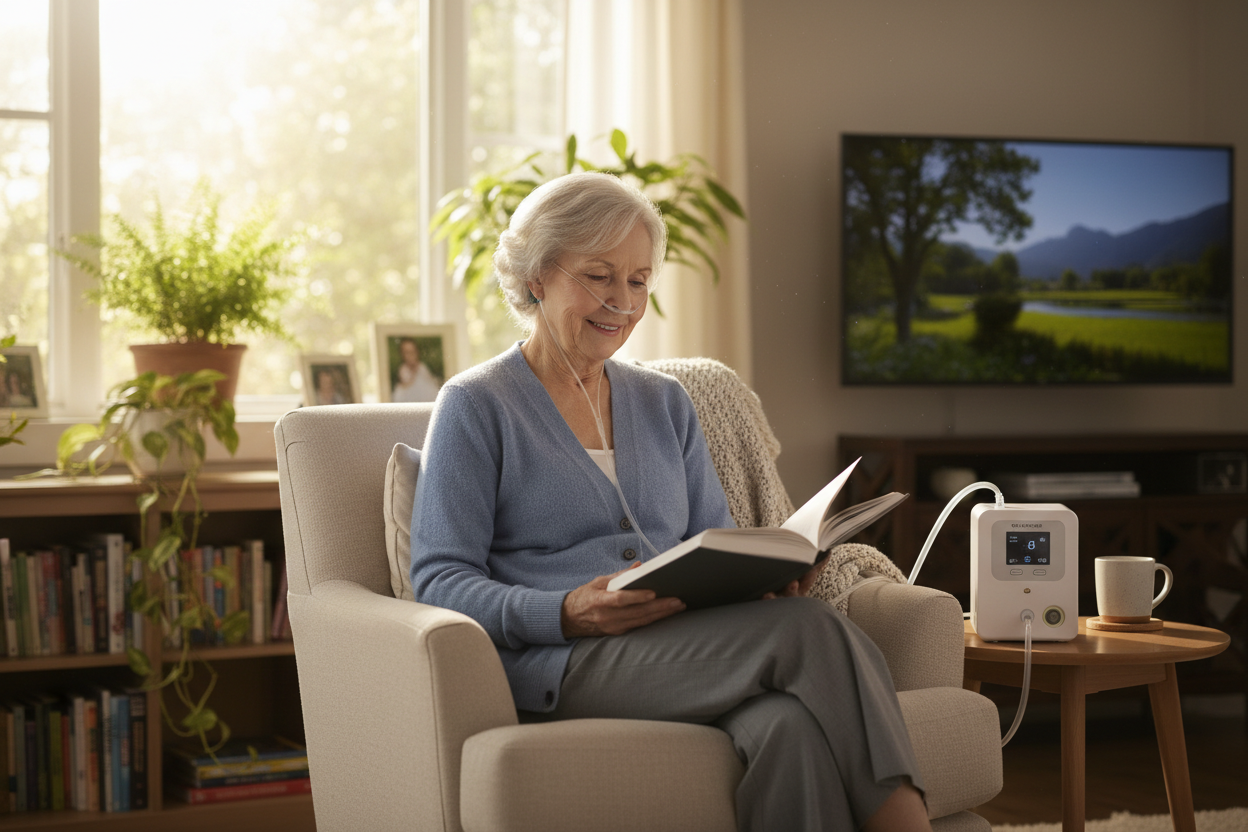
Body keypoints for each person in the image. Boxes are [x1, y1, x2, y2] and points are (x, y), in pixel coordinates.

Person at [409, 171, 930, 831]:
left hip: (684, 648)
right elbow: (439, 579)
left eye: (638, 280)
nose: (622, 302)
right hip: (563, 664)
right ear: (537, 277)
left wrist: (768, 577)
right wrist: (566, 611)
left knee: (789, 726)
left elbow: (714, 542)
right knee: (811, 631)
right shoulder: (475, 404)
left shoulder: (665, 402)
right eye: (599, 276)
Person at [391, 338, 442, 402]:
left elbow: (430, 381)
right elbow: (406, 384)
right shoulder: (403, 369)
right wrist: (413, 370)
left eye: (413, 352)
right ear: (402, 355)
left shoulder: (422, 366)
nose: (411, 355)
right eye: (407, 353)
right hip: (410, 397)